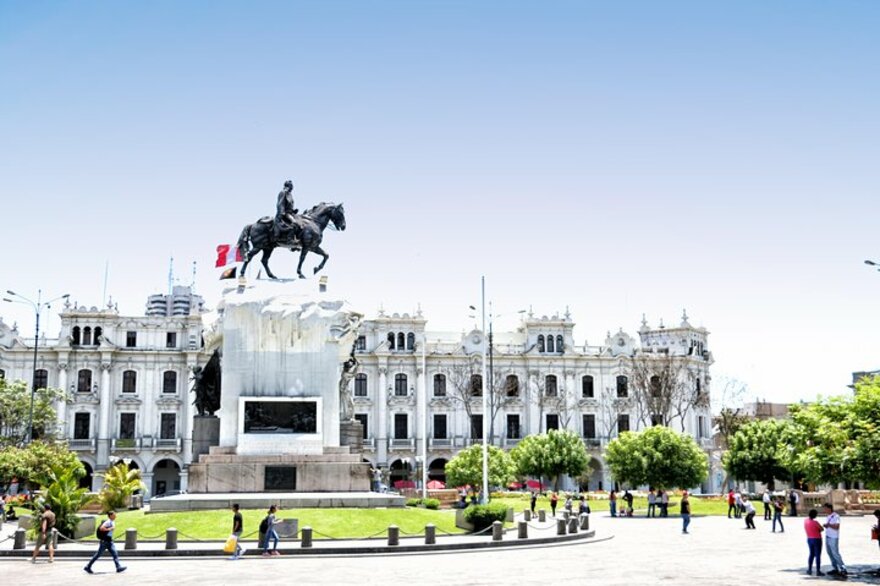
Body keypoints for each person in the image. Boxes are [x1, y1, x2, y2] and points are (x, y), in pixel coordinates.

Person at [823, 503, 847, 576]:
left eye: (825, 508)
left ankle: (843, 568)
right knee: (830, 553)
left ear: (829, 508)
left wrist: (829, 525)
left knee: (835, 553)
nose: (824, 510)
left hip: (833, 537)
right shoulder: (828, 516)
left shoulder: (836, 516)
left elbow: (837, 527)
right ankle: (835, 568)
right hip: (828, 536)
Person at [804, 508, 825, 576]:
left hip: (809, 539)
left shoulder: (805, 521)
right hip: (817, 539)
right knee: (818, 555)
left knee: (811, 554)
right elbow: (821, 529)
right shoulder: (815, 522)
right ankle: (818, 571)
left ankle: (809, 569)